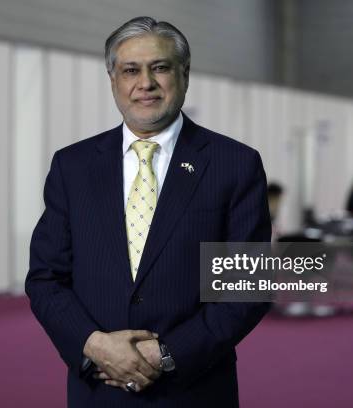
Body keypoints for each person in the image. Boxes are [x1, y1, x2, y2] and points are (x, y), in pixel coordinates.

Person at [25, 16, 271, 408]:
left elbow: (250, 287)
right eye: (130, 71)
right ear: (113, 80)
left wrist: (169, 353)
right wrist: (94, 345)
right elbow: (46, 278)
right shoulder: (72, 167)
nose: (146, 83)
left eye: (159, 68)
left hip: (194, 389)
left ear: (184, 75)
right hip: (97, 390)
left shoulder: (234, 164)